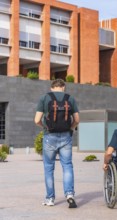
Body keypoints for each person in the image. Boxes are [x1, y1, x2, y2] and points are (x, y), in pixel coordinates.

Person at [34, 79, 80, 208]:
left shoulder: (44, 98)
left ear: (52, 87)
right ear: (63, 87)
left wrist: (44, 127)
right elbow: (77, 120)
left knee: (49, 169)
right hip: (66, 136)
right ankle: (70, 194)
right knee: (67, 166)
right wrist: (70, 129)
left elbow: (36, 120)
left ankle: (50, 199)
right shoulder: (70, 98)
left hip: (49, 136)